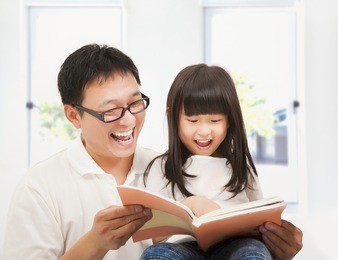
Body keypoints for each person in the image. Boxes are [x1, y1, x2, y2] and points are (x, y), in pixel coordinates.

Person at [2, 44, 302, 260]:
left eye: (135, 103)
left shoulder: (167, 164)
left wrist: (276, 251)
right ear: (73, 116)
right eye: (111, 111)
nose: (129, 120)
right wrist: (96, 243)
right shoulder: (40, 187)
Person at [140, 64, 303, 260]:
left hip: (235, 247)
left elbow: (260, 215)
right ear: (173, 117)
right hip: (183, 249)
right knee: (157, 254)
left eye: (215, 121)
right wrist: (191, 204)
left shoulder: (239, 165)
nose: (204, 131)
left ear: (229, 120)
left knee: (253, 253)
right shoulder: (161, 167)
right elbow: (155, 236)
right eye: (192, 121)